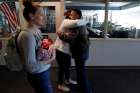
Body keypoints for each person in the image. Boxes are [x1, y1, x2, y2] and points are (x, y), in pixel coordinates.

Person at [17, 1, 53, 93]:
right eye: (41, 14)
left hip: (43, 71)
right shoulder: (27, 35)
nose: (44, 17)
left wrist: (49, 47)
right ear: (31, 16)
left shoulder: (37, 31)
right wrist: (52, 58)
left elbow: (41, 50)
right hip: (39, 74)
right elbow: (31, 67)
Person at [69, 9, 93, 93]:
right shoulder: (81, 23)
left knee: (81, 72)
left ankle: (87, 90)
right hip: (82, 51)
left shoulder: (77, 24)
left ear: (78, 15)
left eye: (72, 15)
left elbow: (70, 39)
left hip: (80, 52)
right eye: (70, 15)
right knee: (79, 71)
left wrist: (60, 34)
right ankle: (81, 86)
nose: (70, 16)